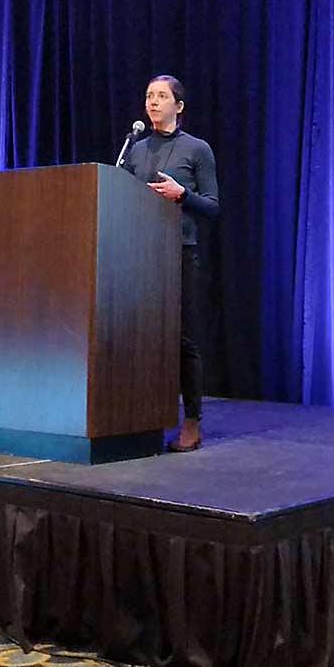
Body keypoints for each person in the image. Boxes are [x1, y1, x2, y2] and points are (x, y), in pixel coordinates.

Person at [125, 74, 219, 452]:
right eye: (149, 95)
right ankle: (140, 418)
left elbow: (213, 206)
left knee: (182, 339)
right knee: (138, 336)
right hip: (136, 254)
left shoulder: (197, 149)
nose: (153, 102)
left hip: (179, 251)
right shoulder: (134, 149)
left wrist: (183, 195)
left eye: (161, 96)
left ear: (178, 106)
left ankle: (192, 421)